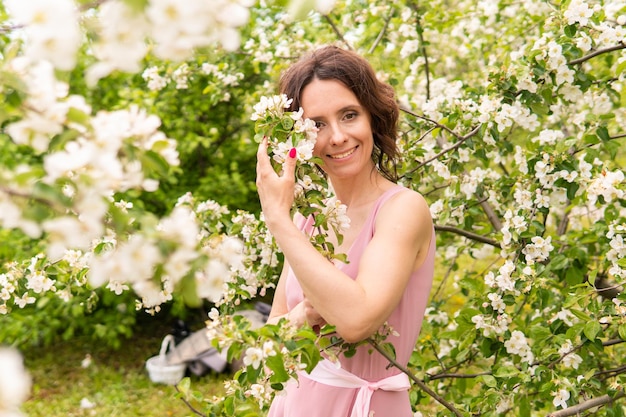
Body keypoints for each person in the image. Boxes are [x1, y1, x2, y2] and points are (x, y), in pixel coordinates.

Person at [256, 45, 435, 417]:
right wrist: (302, 317)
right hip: (295, 404)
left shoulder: (402, 210)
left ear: (373, 118)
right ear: (301, 137)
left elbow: (356, 320)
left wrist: (278, 219)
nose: (337, 137)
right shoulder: (311, 219)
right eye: (318, 124)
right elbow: (267, 345)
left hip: (366, 406)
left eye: (349, 115)